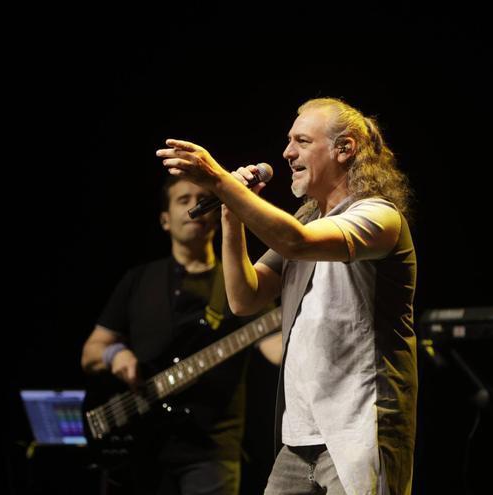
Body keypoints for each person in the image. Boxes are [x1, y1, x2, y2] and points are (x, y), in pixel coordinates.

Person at [156, 97, 417, 495]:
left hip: (360, 428)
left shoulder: (378, 217)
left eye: (302, 141)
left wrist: (221, 182)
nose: (287, 152)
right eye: (289, 140)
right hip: (299, 439)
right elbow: (245, 298)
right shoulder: (307, 220)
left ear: (344, 149)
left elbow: (297, 242)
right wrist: (231, 216)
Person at [81, 176, 282, 495]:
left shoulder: (239, 281)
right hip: (142, 446)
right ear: (165, 220)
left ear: (216, 214)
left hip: (212, 450)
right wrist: (115, 354)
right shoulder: (138, 279)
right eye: (183, 200)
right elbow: (91, 351)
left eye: (203, 199)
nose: (195, 206)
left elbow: (277, 350)